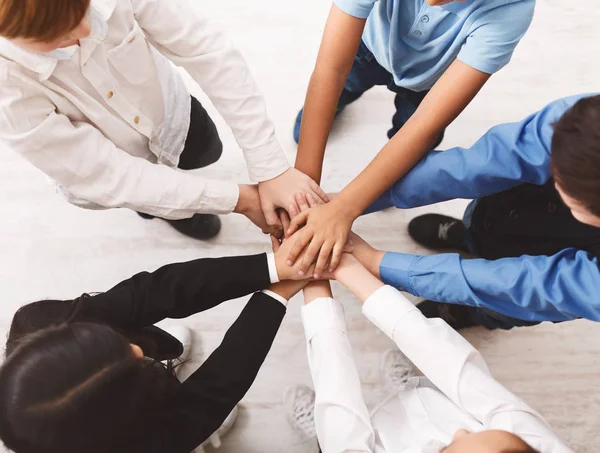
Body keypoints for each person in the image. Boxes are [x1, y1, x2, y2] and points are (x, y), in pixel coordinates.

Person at [0, 0, 327, 241]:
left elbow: (207, 51)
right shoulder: (8, 87)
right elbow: (109, 174)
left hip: (172, 115)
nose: (88, 31)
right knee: (149, 198)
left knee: (206, 151)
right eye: (56, 34)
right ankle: (175, 214)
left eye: (83, 9)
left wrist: (270, 167)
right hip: (110, 166)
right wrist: (237, 200)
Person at [286, 0, 535, 273]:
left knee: (407, 153)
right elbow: (330, 70)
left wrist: (344, 209)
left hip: (430, 85)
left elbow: (424, 125)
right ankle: (340, 104)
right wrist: (303, 191)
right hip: (366, 50)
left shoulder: (509, 11)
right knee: (332, 97)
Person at [0, 235, 313, 453]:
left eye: (108, 340)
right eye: (132, 366)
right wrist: (276, 295)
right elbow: (211, 395)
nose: (138, 350)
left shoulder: (33, 322)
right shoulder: (136, 446)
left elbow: (152, 292)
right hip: (166, 433)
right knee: (196, 423)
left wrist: (270, 266)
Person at [344, 94, 600, 330]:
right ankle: (467, 236)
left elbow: (524, 286)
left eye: (562, 183)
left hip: (536, 291)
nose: (552, 178)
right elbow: (481, 163)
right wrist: (353, 200)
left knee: (502, 305)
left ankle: (469, 313)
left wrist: (377, 262)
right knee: (484, 220)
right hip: (507, 210)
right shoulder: (582, 121)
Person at [285, 253, 572, 452]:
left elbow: (339, 406)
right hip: (437, 401)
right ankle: (410, 389)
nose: (460, 431)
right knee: (440, 383)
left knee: (335, 429)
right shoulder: (545, 448)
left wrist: (314, 283)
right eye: (479, 432)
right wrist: (347, 267)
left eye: (448, 448)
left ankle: (319, 439)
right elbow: (459, 369)